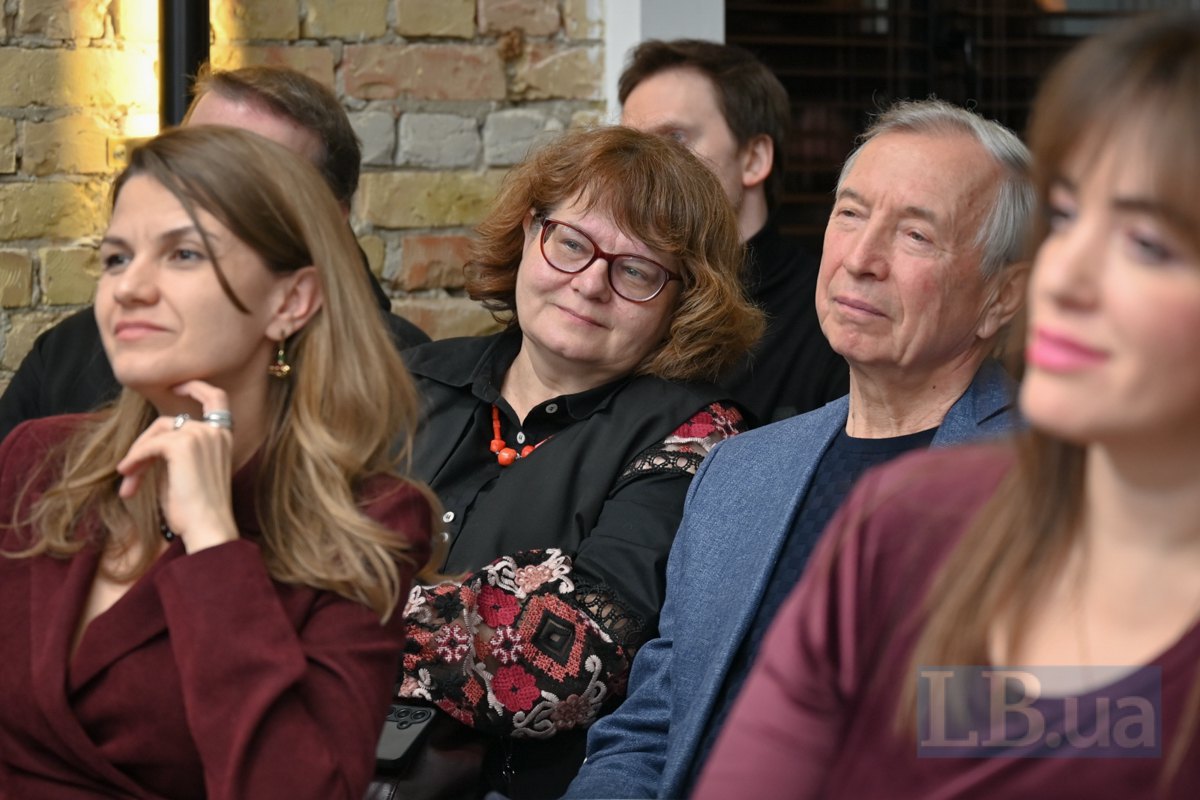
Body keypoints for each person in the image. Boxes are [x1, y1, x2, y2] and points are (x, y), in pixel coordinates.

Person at [694, 12, 1200, 799]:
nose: (1066, 276)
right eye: (1065, 219)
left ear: (1004, 294)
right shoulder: (901, 518)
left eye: (1147, 244)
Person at [566, 98, 1033, 799]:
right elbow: (651, 729)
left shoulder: (1066, 484)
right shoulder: (739, 470)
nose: (861, 259)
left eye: (915, 235)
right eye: (850, 213)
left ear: (1002, 296)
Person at [0, 127, 433, 798]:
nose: (130, 289)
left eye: (183, 254)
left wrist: (211, 545)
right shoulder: (37, 461)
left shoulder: (368, 522)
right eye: (115, 259)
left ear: (291, 302)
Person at [380, 125, 763, 800]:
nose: (589, 285)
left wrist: (324, 612)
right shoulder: (405, 382)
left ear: (685, 298)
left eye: (637, 270)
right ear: (531, 234)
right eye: (572, 244)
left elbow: (570, 656)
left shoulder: (700, 434)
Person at [0, 64, 428, 442]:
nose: (206, 190)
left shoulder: (406, 374)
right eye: (195, 159)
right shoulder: (67, 358)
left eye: (250, 180)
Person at [620, 39, 848, 424]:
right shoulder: (615, 297)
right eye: (632, 146)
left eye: (675, 140)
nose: (646, 167)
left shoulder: (830, 319)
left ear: (754, 158)